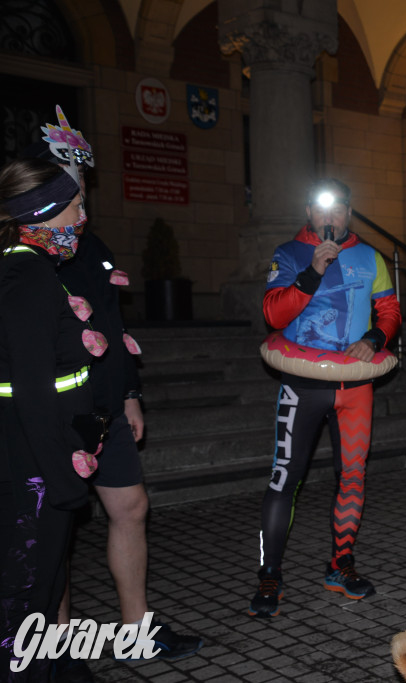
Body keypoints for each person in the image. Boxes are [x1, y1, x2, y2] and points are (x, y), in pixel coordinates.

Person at [19, 108, 203, 678]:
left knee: (131, 506)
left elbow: (114, 327)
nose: (79, 183)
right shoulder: (26, 257)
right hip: (55, 409)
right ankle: (59, 645)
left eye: (81, 173)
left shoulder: (91, 243)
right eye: (65, 172)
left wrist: (128, 394)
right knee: (58, 527)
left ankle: (133, 631)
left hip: (104, 406)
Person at [248, 178, 401, 617]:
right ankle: (270, 572)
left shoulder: (370, 257)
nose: (330, 218)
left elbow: (389, 312)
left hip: (355, 389)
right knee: (285, 479)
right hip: (303, 386)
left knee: (352, 476)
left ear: (349, 214)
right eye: (321, 209)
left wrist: (373, 337)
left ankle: (341, 564)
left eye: (339, 210)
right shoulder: (289, 253)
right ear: (310, 213)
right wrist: (313, 271)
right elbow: (273, 313)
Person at [0, 158, 103, 679]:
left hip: (39, 458)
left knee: (40, 595)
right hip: (32, 471)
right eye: (76, 205)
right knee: (26, 605)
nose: (84, 214)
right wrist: (61, 478)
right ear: (46, 214)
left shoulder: (33, 269)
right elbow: (31, 388)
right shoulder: (26, 275)